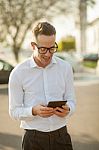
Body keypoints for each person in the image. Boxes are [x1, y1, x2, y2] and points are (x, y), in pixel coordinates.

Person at [9, 21, 76, 150]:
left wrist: (68, 110)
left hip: (61, 136)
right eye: (43, 49)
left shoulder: (66, 68)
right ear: (33, 46)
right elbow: (13, 111)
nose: (48, 54)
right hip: (33, 140)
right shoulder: (18, 73)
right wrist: (33, 111)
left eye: (52, 48)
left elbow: (72, 101)